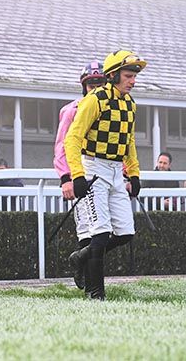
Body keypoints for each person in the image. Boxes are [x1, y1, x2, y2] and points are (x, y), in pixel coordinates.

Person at [64, 50, 146, 300]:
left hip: (115, 171)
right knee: (99, 233)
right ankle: (96, 294)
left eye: (134, 76)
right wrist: (77, 175)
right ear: (113, 75)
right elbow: (73, 138)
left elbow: (128, 142)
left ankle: (79, 257)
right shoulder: (94, 100)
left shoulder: (130, 104)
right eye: (128, 76)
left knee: (125, 233)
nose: (133, 81)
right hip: (93, 169)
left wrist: (134, 174)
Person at [53, 60, 107, 290]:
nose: (94, 88)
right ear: (83, 87)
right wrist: (66, 178)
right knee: (87, 227)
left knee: (106, 229)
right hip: (80, 173)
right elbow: (62, 145)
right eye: (90, 84)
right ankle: (89, 283)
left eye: (99, 84)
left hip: (105, 173)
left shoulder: (110, 109)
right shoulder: (71, 110)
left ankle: (81, 259)